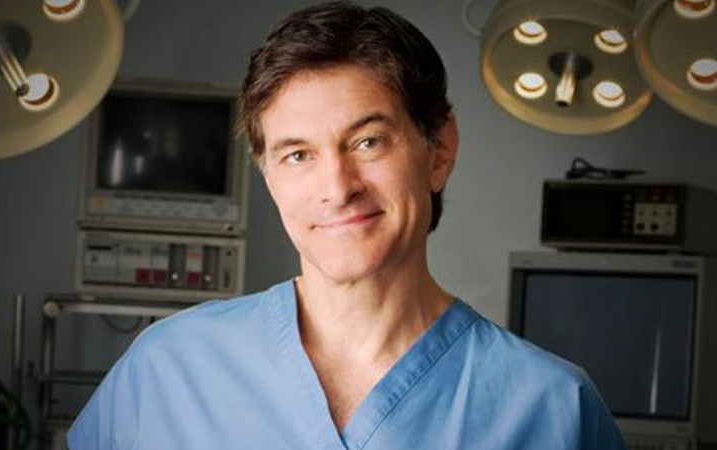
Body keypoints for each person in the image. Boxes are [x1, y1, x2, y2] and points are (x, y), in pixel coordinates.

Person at [67, 2, 627, 449]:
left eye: (367, 142)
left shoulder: (552, 410)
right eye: (298, 155)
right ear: (269, 176)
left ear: (439, 150)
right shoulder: (168, 368)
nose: (337, 188)